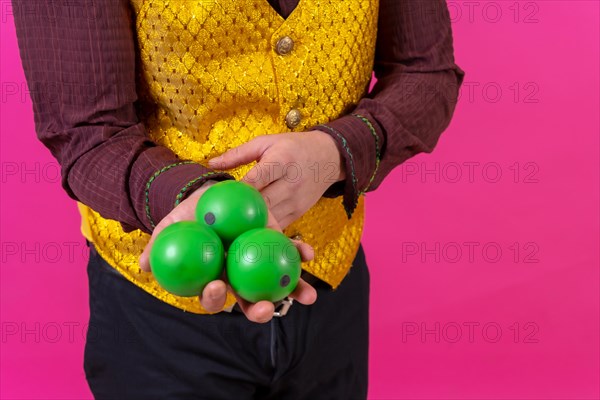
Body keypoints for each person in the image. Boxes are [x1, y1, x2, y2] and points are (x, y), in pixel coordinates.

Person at [12, 0, 464, 398]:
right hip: (158, 319)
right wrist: (194, 198)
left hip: (330, 288)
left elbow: (426, 72)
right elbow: (87, 130)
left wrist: (336, 151)